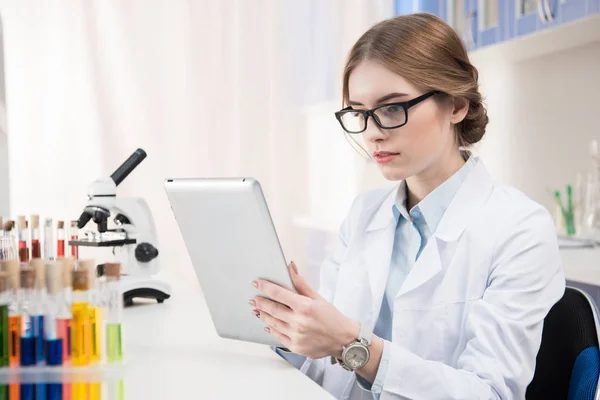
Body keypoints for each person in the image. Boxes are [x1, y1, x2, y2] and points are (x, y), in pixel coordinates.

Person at [248, 13, 565, 400]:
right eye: (359, 113)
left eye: (392, 108)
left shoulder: (520, 229)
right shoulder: (364, 214)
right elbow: (326, 367)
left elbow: (489, 393)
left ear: (456, 105)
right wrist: (289, 334)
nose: (372, 132)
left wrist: (354, 345)